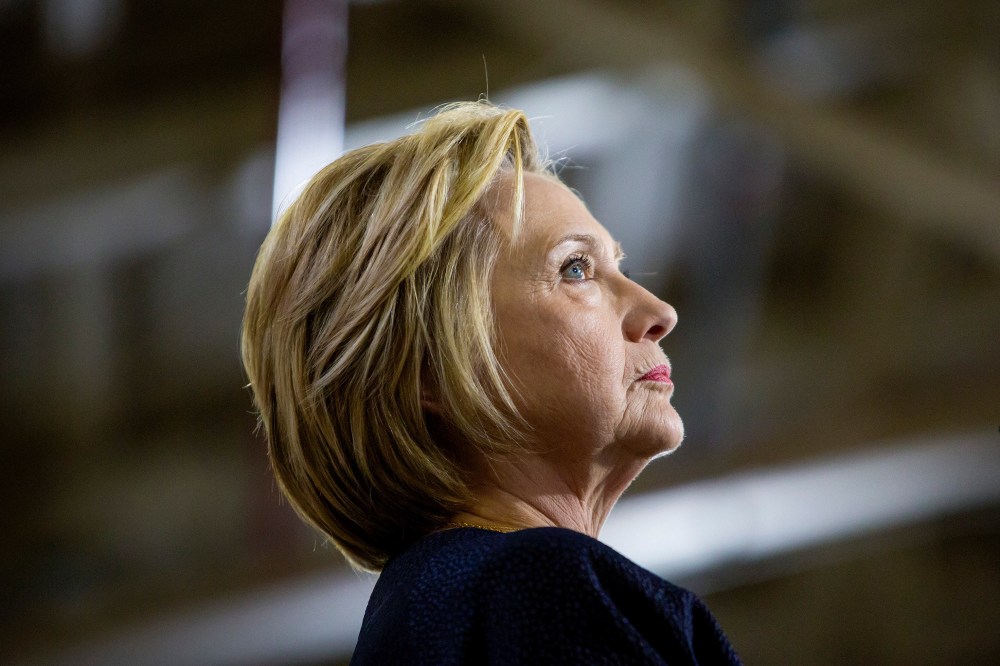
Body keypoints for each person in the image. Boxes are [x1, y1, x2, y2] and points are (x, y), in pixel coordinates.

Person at [241, 102, 741, 664]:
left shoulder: (427, 611)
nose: (659, 312)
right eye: (575, 269)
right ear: (430, 367)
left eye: (619, 268)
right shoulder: (537, 590)